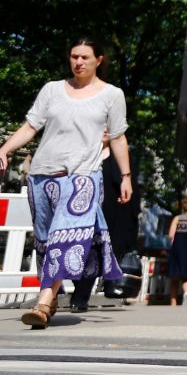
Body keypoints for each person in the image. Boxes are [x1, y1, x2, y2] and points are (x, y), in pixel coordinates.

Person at [0, 38, 132, 328]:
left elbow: (119, 137)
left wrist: (125, 176)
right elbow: (30, 126)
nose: (79, 62)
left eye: (85, 57)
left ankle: (44, 301)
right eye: (74, 56)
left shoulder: (112, 94)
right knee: (45, 241)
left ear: (99, 60)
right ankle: (51, 298)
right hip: (42, 174)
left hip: (83, 176)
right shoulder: (52, 90)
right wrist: (4, 149)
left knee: (65, 237)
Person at [69, 126, 142, 311]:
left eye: (107, 127)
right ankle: (79, 291)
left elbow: (132, 186)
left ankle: (80, 297)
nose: (104, 130)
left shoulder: (121, 155)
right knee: (77, 251)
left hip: (112, 215)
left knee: (95, 253)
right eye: (100, 126)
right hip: (82, 212)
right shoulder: (83, 152)